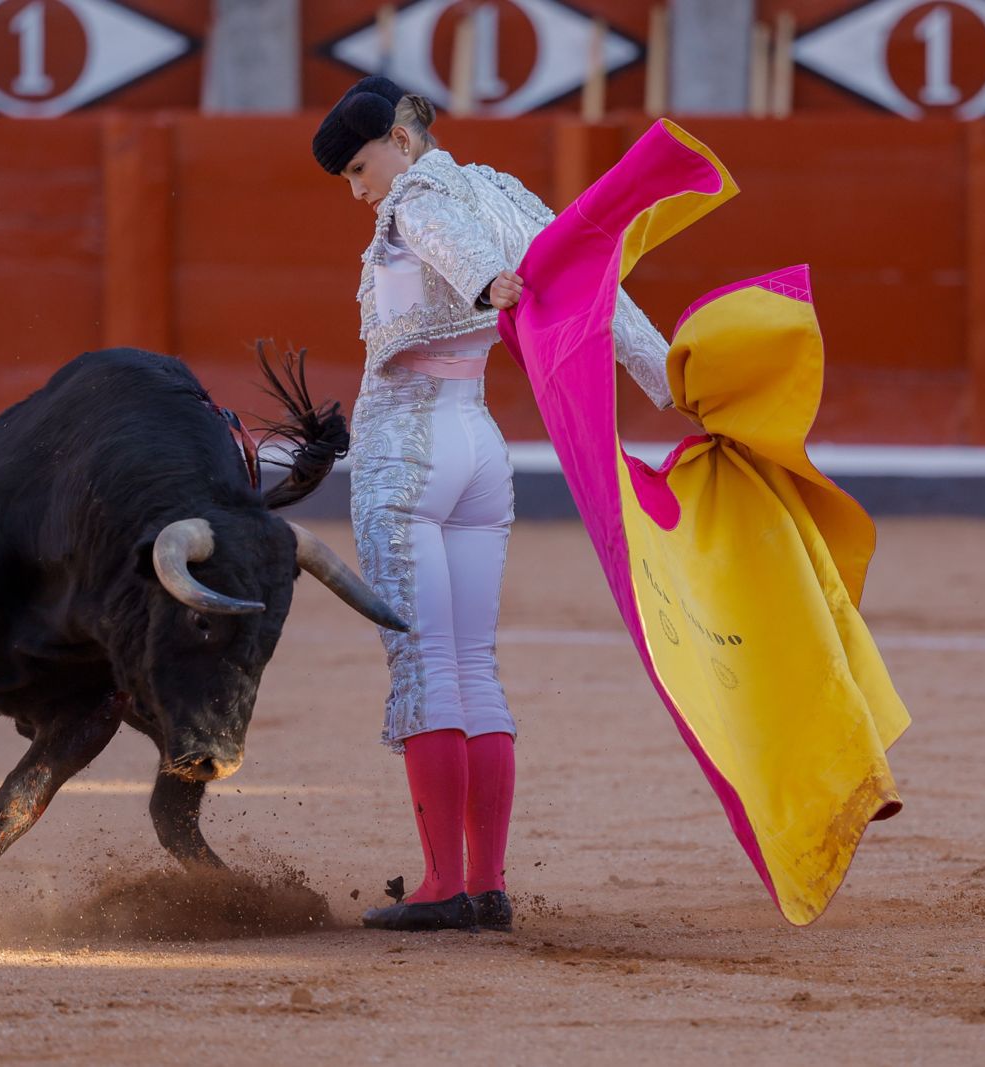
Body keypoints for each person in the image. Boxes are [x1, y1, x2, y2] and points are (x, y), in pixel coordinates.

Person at [312, 76, 676, 932]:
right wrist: (665, 376)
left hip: (408, 452)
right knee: (473, 664)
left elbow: (445, 236)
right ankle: (487, 882)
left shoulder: (420, 196)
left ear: (400, 143)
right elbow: (596, 288)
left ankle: (443, 883)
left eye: (361, 167)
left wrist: (484, 284)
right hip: (479, 448)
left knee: (425, 666)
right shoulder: (504, 191)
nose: (359, 190)